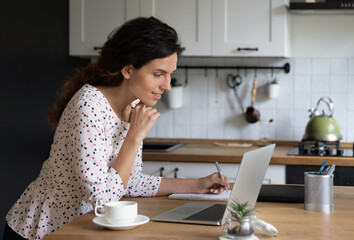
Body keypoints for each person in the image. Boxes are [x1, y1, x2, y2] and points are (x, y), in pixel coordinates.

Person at [4, 17, 229, 240]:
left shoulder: (132, 106)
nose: (167, 85)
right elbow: (103, 199)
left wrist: (198, 185)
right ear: (128, 70)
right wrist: (134, 136)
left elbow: (127, 181)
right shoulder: (88, 107)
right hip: (41, 232)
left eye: (171, 74)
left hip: (84, 229)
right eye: (158, 74)